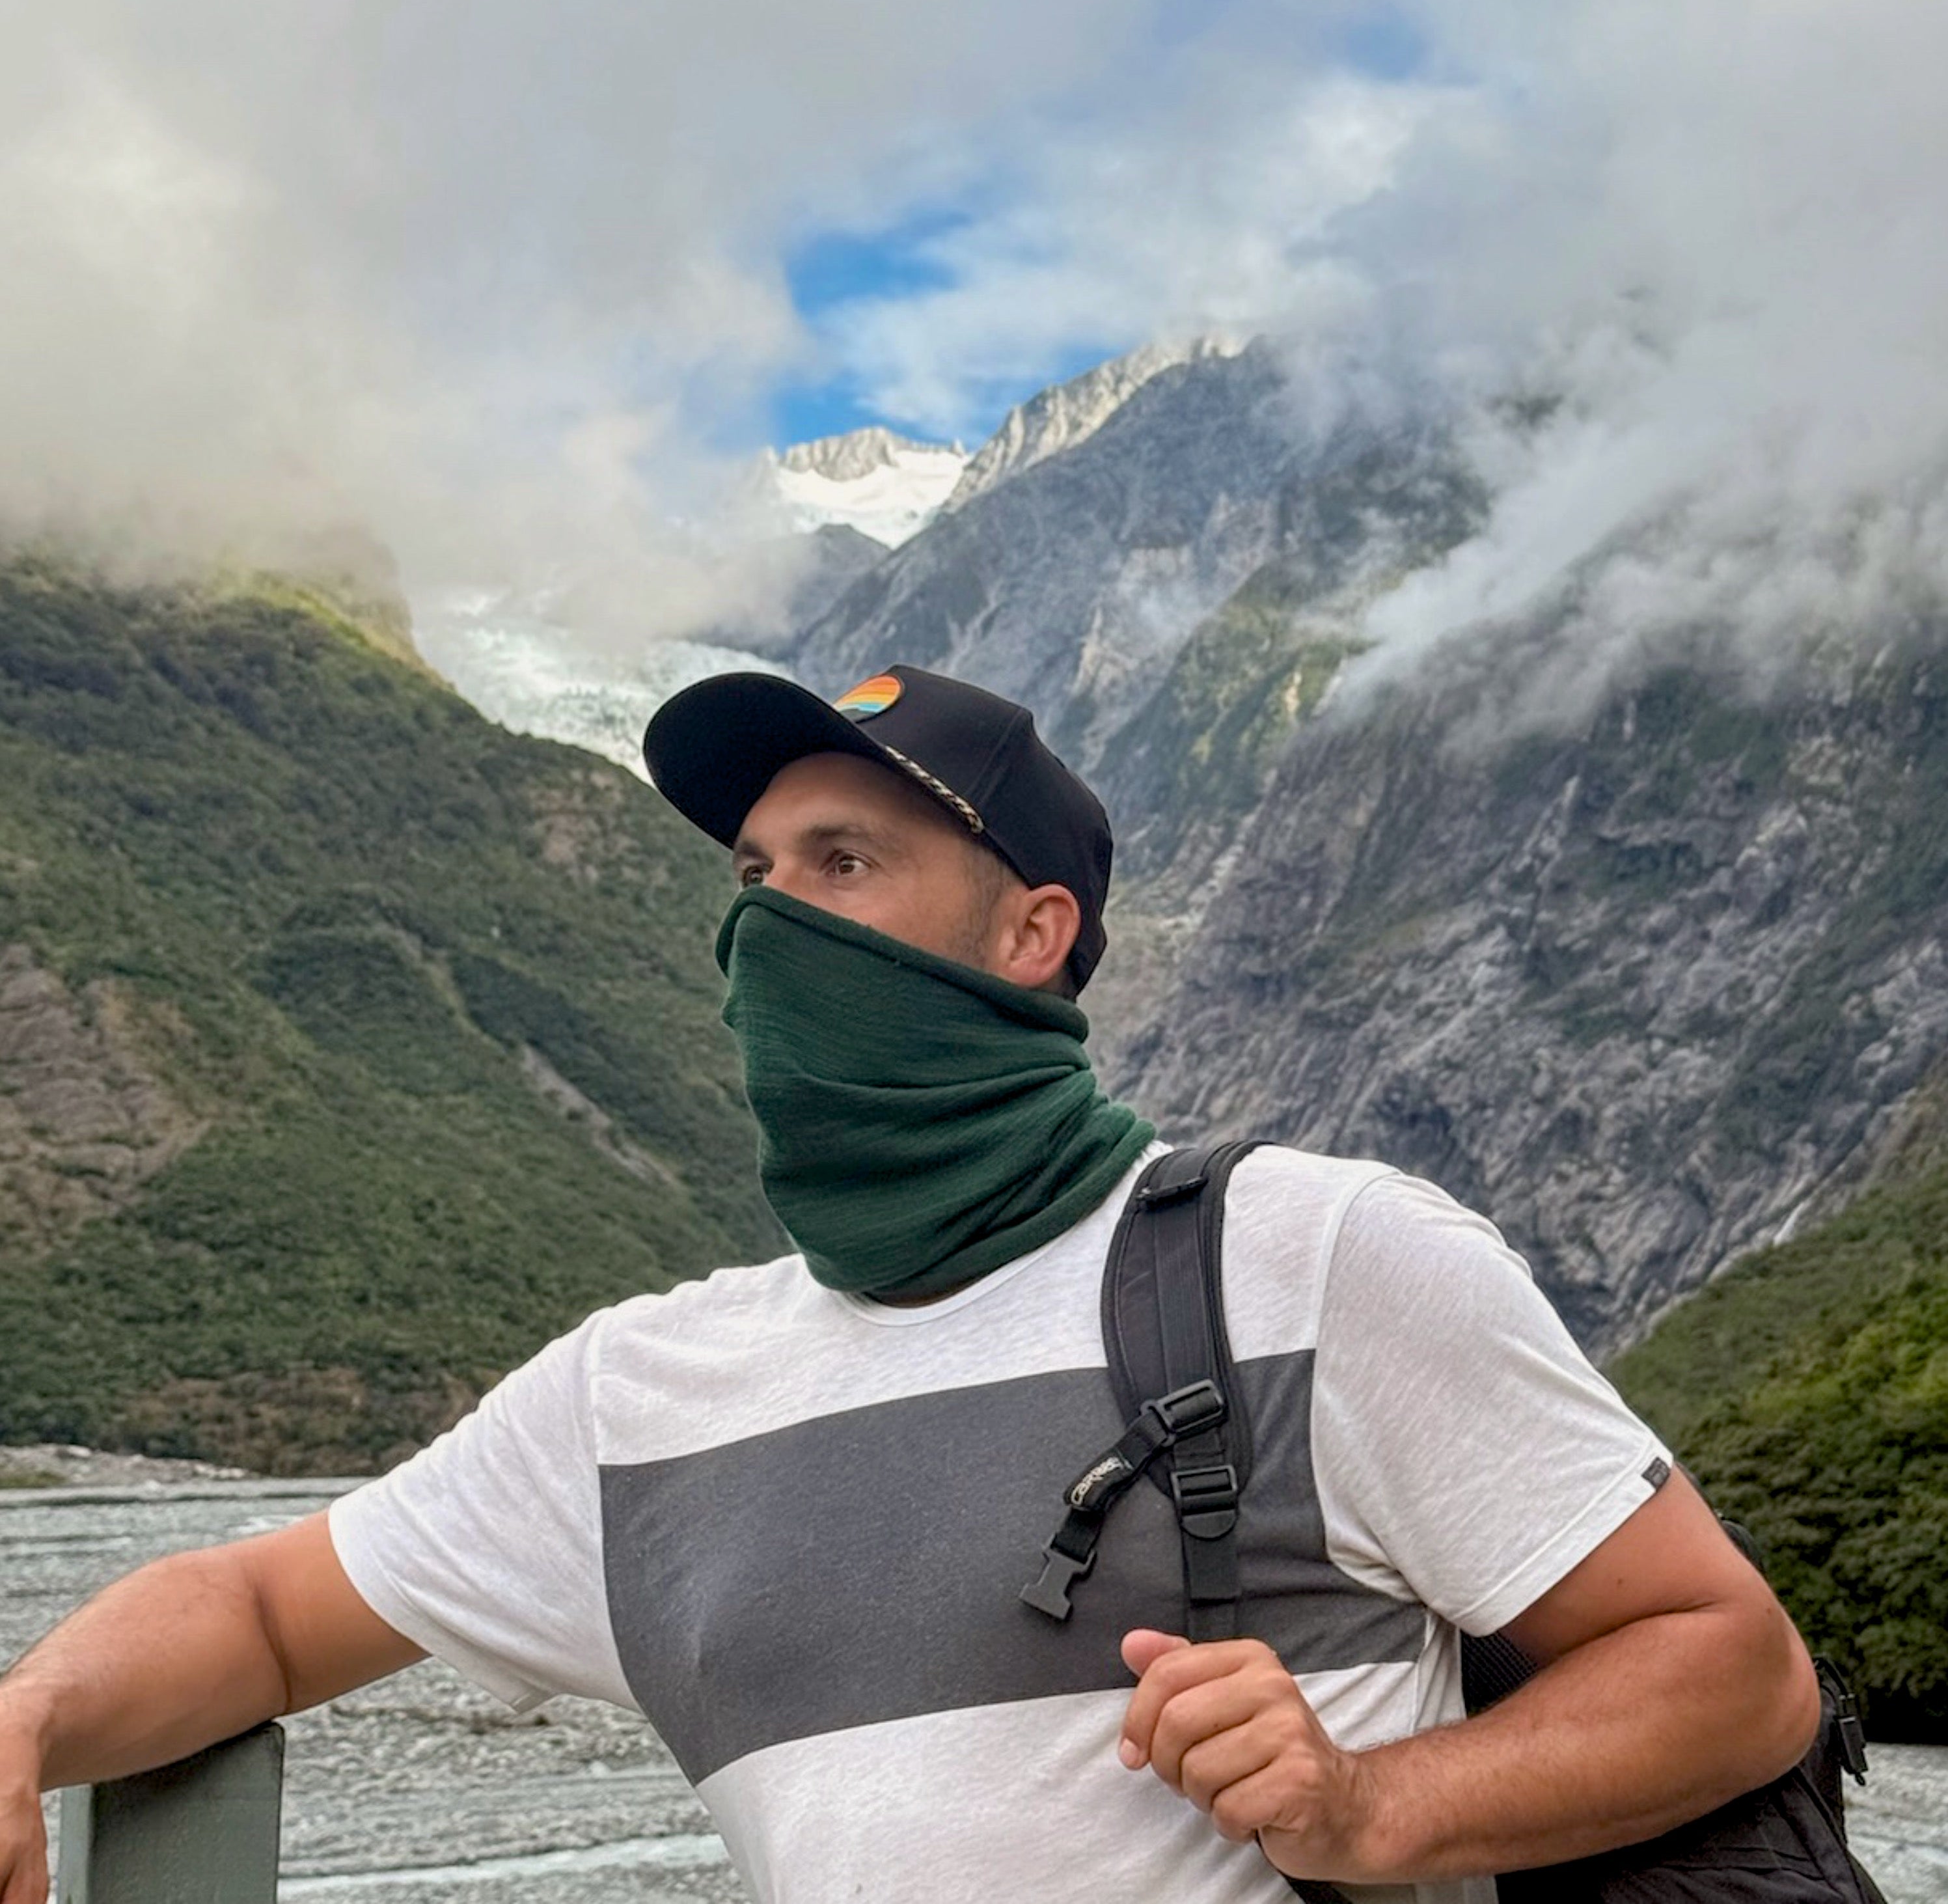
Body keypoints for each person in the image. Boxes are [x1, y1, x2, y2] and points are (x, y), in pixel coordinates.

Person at [0, 663, 1818, 1904]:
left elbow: (1728, 1670)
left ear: (1030, 932)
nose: (764, 926)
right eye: (751, 873)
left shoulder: (1322, 1255)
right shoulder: (639, 1389)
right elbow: (254, 1614)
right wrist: (23, 1723)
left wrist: (1369, 1806)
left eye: (845, 862)